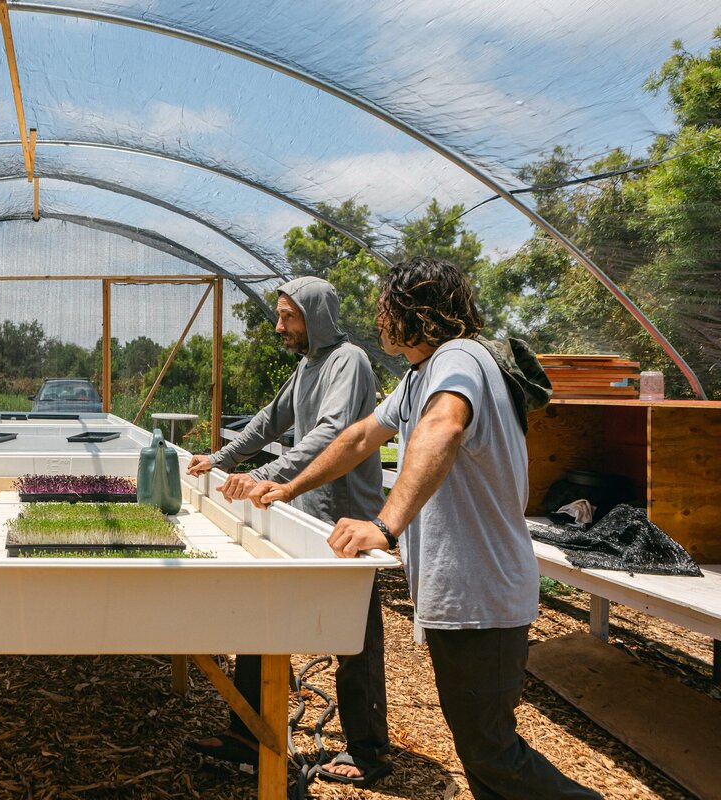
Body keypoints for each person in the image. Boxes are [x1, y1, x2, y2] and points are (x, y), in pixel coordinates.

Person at [250, 257, 601, 799]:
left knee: (494, 754)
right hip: (464, 597)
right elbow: (360, 437)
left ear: (417, 312)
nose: (379, 320)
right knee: (484, 754)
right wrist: (288, 488)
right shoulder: (421, 375)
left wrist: (385, 526)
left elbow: (444, 426)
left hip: (483, 595)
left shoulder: (459, 359)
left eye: (386, 308)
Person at [185, 276, 391, 786]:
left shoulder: (349, 362)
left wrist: (262, 476)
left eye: (288, 316)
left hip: (344, 518)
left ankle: (370, 751)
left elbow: (331, 433)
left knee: (354, 636)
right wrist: (220, 457)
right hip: (301, 512)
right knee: (263, 613)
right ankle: (249, 733)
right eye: (279, 316)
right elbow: (267, 423)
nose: (280, 326)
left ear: (316, 316)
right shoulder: (307, 366)